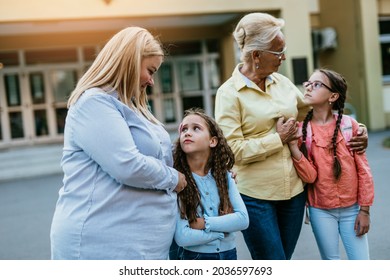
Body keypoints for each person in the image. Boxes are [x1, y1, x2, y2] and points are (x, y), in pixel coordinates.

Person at [214, 12, 368, 260]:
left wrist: (356, 127)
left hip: (294, 195)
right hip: (256, 197)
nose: (283, 57)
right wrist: (278, 139)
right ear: (256, 55)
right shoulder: (229, 93)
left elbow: (319, 113)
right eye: (278, 52)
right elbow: (232, 152)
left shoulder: (282, 83)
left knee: (284, 261)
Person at [50, 26, 187, 260]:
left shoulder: (132, 106)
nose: (152, 81)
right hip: (101, 246)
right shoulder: (93, 103)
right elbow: (127, 165)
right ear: (130, 61)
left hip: (143, 248)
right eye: (150, 70)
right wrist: (175, 179)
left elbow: (160, 157)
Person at [288, 69, 374, 260]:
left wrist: (365, 210)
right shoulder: (302, 130)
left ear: (333, 96)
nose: (308, 87)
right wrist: (294, 149)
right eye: (308, 83)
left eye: (317, 84)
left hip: (352, 209)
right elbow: (310, 177)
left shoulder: (348, 125)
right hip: (320, 210)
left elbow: (364, 171)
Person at [173, 108, 249, 260]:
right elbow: (183, 236)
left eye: (196, 128)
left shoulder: (225, 177)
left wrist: (204, 223)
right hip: (194, 257)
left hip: (229, 255)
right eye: (184, 129)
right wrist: (222, 231)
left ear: (212, 141)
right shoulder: (178, 180)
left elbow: (243, 219)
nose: (187, 133)